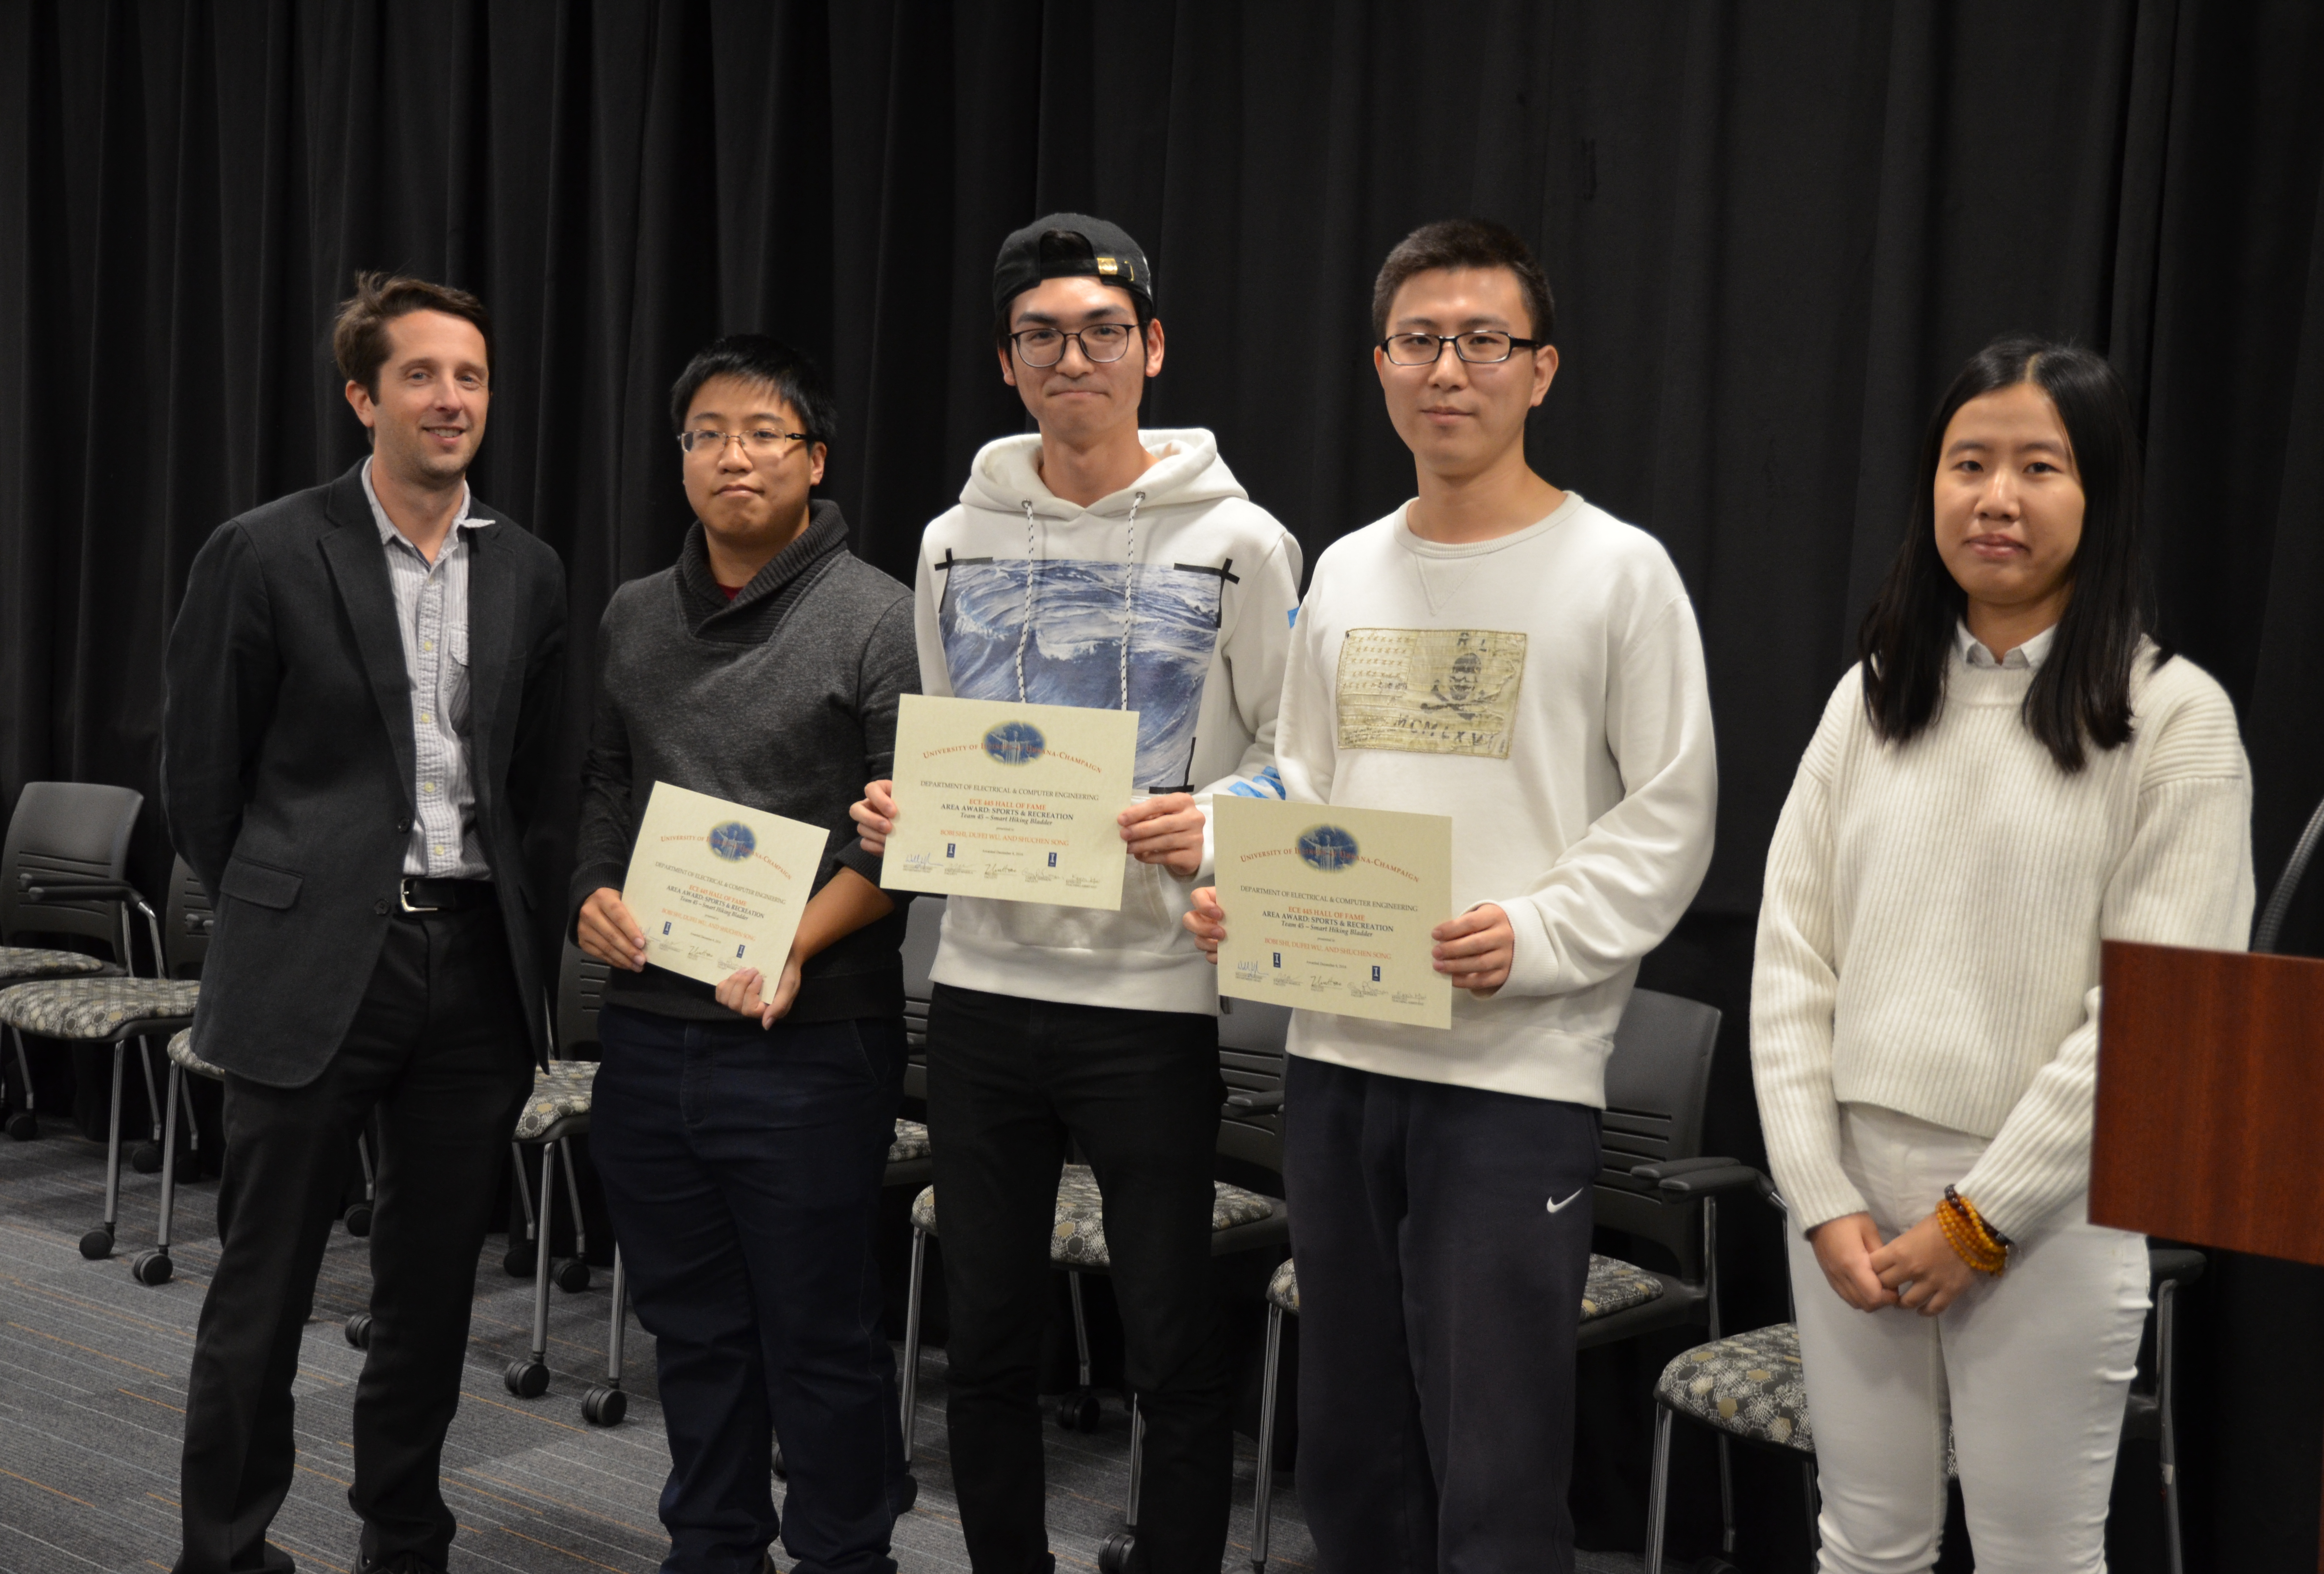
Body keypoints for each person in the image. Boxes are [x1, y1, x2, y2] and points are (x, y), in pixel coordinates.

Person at [1184, 218, 1720, 1572]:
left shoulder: (1620, 571)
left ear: (1541, 371)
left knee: (1496, 1461)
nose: (1450, 369)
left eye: (1485, 341)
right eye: (1420, 340)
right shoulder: (1351, 567)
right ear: (1379, 364)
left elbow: (1670, 817)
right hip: (1336, 1058)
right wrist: (1235, 874)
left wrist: (1534, 936)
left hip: (1514, 1077)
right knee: (1351, 1444)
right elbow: (1303, 774)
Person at [1749, 337, 2253, 1571]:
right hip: (1852, 1209)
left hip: (2052, 1216)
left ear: (2101, 495)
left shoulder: (2174, 718)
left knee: (2038, 1555)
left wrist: (1978, 1224)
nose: (1996, 497)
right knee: (1864, 1544)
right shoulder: (1869, 697)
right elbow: (1788, 967)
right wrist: (1821, 1202)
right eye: (1968, 462)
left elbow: (2153, 1017)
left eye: (2040, 466)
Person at [851, 213, 1302, 1574]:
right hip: (982, 991)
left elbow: (1297, 758)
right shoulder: (949, 541)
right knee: (987, 1344)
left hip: (1153, 1000)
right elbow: (948, 731)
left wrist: (1213, 820)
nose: (1075, 358)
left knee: (1173, 1341)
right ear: (1008, 361)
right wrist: (901, 807)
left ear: (1152, 348)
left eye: (1104, 332)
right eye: (1042, 336)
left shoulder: (1245, 543)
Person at [162, 273, 568, 1574]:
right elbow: (202, 777)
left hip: (472, 973)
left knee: (433, 1290)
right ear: (362, 393)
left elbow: (542, 788)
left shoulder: (529, 568)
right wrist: (289, 901)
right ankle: (225, 1552)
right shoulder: (267, 547)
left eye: (472, 377)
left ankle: (405, 1539)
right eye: (421, 375)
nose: (452, 398)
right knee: (264, 1286)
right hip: (314, 959)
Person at [570, 335, 918, 1574]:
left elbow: (904, 843)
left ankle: (844, 1556)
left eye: (763, 433)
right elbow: (609, 783)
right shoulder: (632, 615)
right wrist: (591, 894)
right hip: (650, 1031)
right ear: (680, 459)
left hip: (807, 1043)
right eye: (706, 433)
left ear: (812, 461)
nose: (733, 456)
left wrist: (790, 947)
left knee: (818, 1335)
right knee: (694, 1330)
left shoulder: (880, 616)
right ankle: (711, 1546)